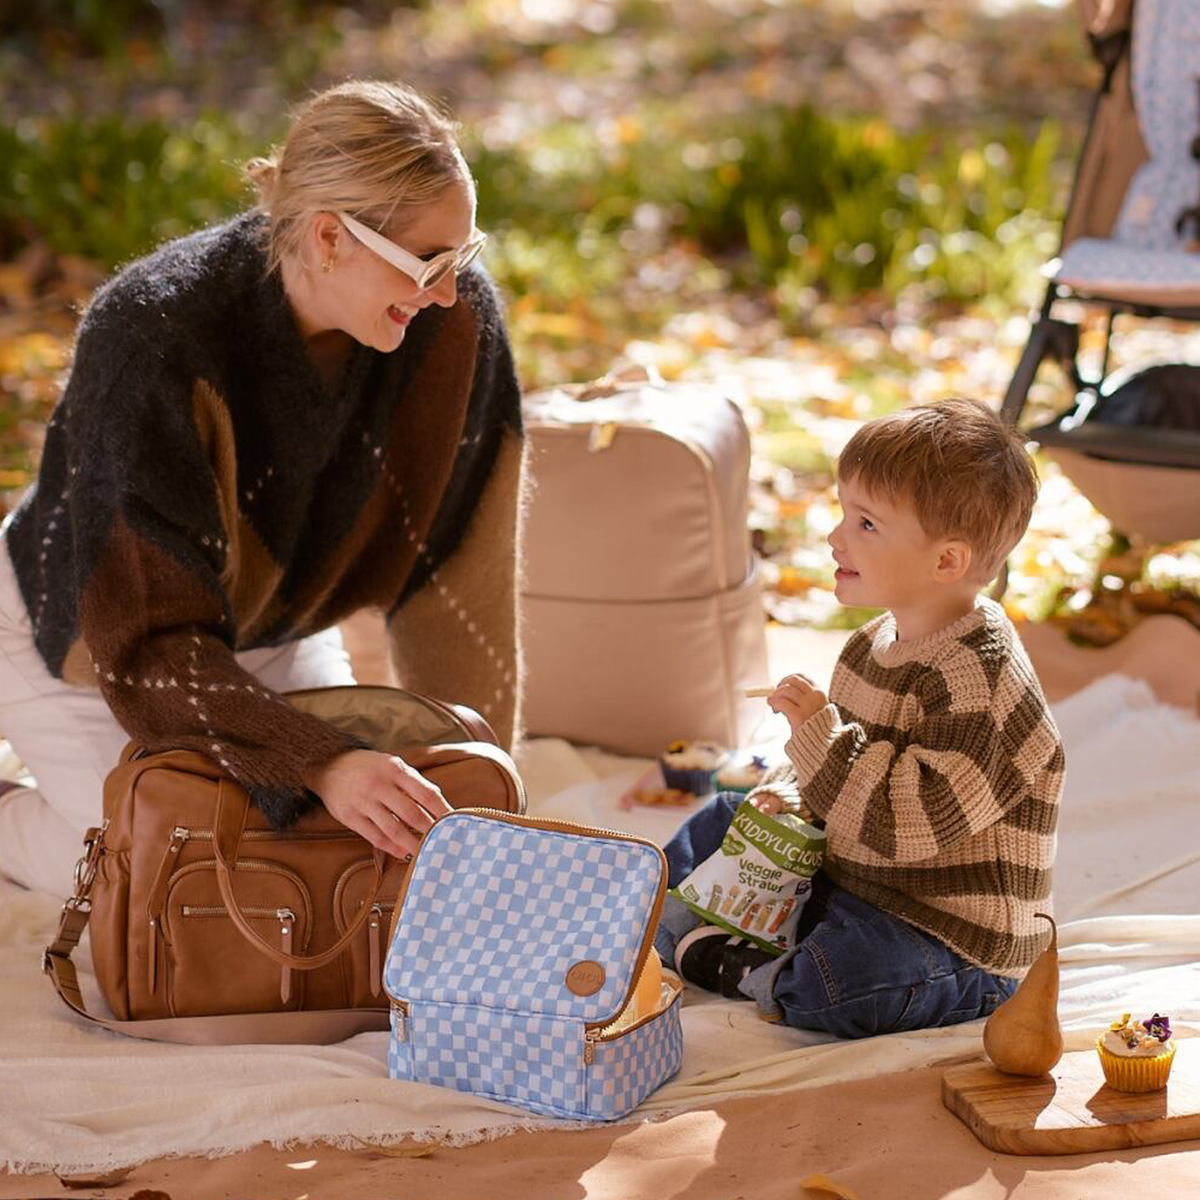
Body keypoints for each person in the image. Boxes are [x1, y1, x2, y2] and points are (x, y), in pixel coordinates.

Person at [0, 80, 525, 896]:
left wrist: (478, 797)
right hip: (84, 631)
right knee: (146, 879)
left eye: (465, 256)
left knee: (339, 858)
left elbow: (459, 583)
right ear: (327, 238)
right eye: (430, 262)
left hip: (263, 628)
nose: (451, 292)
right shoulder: (150, 334)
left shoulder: (451, 325)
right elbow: (144, 641)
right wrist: (322, 758)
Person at [655, 398, 1065, 1038]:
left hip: (946, 930)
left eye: (866, 524)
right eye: (844, 513)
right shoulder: (868, 647)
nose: (835, 537)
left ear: (946, 562)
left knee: (843, 980)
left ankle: (749, 964)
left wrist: (819, 738)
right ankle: (661, 913)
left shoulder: (980, 688)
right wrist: (787, 796)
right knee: (724, 817)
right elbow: (825, 777)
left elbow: (906, 824)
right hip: (856, 880)